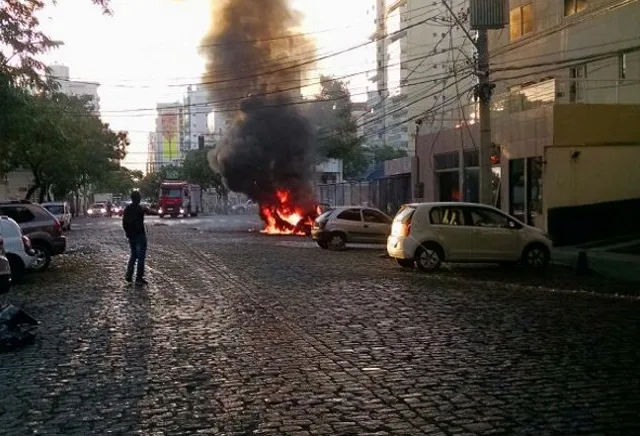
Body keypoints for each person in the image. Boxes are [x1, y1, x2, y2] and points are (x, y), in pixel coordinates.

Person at [122, 191, 151, 285]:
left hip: (131, 236)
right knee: (141, 257)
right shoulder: (140, 209)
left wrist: (127, 233)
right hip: (140, 235)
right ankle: (139, 277)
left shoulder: (127, 209)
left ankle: (129, 275)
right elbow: (150, 212)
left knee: (133, 255)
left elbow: (124, 223)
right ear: (138, 199)